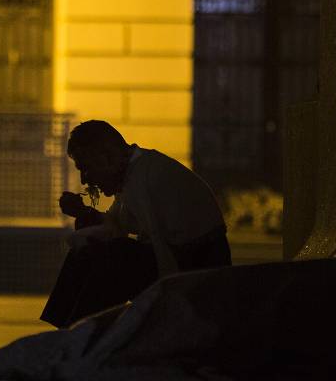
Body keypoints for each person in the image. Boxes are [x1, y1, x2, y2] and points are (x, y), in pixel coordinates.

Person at [41, 120, 231, 328]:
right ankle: (66, 329)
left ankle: (80, 334)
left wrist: (169, 318)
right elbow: (116, 225)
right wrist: (83, 212)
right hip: (182, 263)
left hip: (197, 271)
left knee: (111, 257)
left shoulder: (146, 176)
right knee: (87, 252)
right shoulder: (135, 172)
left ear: (107, 158)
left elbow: (162, 254)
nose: (85, 180)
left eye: (86, 169)